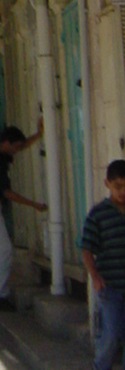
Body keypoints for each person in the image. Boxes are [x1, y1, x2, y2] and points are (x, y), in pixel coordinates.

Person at [0, 119, 46, 313]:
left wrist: (37, 136)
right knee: (4, 251)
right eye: (15, 147)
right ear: (6, 143)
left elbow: (19, 146)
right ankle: (0, 296)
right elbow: (7, 193)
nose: (17, 151)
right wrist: (34, 205)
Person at [80, 159, 125, 370]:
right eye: (118, 187)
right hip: (110, 288)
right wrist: (95, 277)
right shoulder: (98, 214)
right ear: (107, 184)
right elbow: (86, 248)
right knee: (111, 337)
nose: (123, 192)